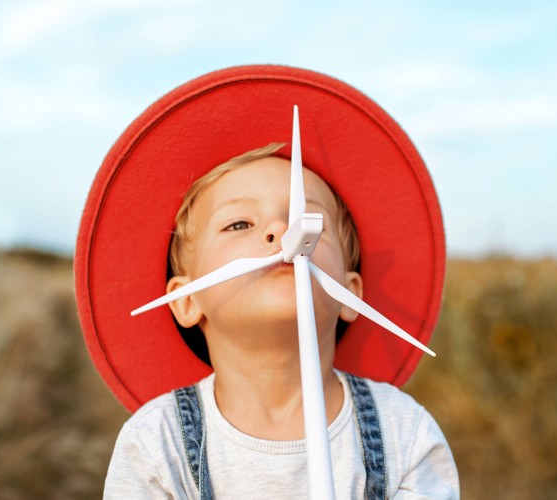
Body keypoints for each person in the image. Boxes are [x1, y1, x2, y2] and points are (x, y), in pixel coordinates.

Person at [74, 65, 458, 499]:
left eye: (306, 219)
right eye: (239, 224)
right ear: (186, 299)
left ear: (351, 293)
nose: (281, 229)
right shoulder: (157, 444)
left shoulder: (404, 435)